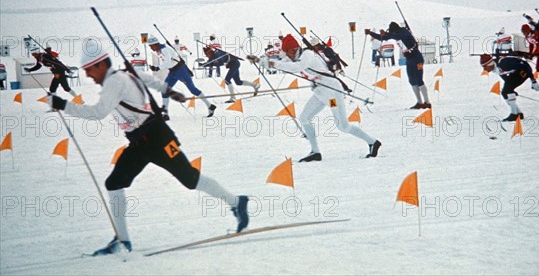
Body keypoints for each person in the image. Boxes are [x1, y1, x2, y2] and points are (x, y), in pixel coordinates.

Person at [45, 48, 249, 255]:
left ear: (102, 65)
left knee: (190, 179)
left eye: (89, 70)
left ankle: (237, 202)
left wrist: (62, 104)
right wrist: (171, 92)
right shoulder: (126, 74)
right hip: (139, 143)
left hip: (158, 138)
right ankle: (122, 241)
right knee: (114, 183)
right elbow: (152, 81)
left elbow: (97, 113)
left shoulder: (114, 82)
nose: (88, 75)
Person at [250, 34, 382, 162]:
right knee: (304, 118)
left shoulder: (307, 55)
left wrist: (273, 64)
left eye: (287, 52)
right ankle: (315, 152)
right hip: (320, 93)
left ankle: (373, 142)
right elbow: (281, 62)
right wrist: (260, 61)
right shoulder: (293, 58)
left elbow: (296, 67)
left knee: (343, 126)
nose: (287, 56)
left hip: (332, 93)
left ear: (293, 49)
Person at [147, 35, 216, 119]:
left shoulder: (164, 49)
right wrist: (157, 67)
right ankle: (165, 114)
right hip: (172, 72)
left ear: (155, 44)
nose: (150, 48)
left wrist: (157, 68)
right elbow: (167, 62)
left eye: (151, 46)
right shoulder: (159, 50)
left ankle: (210, 106)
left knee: (193, 90)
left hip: (181, 71)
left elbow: (168, 62)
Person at [367, 22, 430, 109]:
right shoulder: (397, 33)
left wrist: (387, 34)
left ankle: (427, 102)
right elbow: (384, 38)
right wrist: (371, 33)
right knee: (412, 80)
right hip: (409, 59)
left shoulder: (404, 32)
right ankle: (420, 103)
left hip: (417, 58)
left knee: (419, 80)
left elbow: (395, 36)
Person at [479, 54, 539, 121]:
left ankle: (514, 114)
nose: (484, 69)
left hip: (524, 70)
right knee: (505, 92)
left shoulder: (503, 64)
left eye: (485, 67)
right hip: (515, 72)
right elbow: (505, 76)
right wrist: (511, 88)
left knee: (507, 90)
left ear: (490, 64)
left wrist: (533, 81)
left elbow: (524, 67)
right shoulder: (494, 68)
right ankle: (518, 113)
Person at [521, 23, 539, 88]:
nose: (524, 33)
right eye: (523, 32)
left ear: (529, 30)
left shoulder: (535, 34)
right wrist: (530, 53)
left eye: (525, 31)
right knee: (538, 68)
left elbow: (538, 45)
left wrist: (533, 54)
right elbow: (531, 45)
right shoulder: (527, 36)